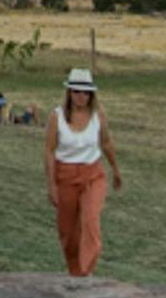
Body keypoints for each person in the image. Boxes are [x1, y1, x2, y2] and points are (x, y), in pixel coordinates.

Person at [46, 68, 121, 276]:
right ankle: (75, 274)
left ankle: (85, 272)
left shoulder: (98, 115)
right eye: (77, 91)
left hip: (92, 176)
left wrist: (115, 170)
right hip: (65, 177)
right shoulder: (57, 116)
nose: (82, 96)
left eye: (86, 93)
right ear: (69, 92)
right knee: (68, 234)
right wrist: (51, 185)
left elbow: (106, 143)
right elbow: (49, 151)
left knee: (90, 221)